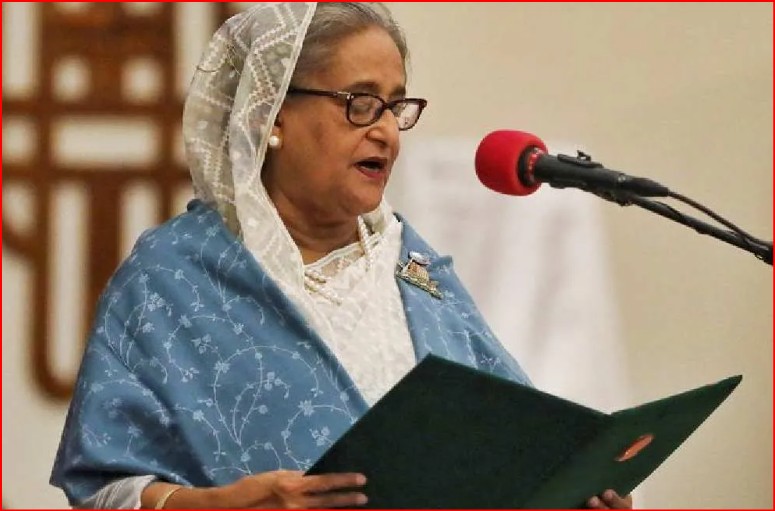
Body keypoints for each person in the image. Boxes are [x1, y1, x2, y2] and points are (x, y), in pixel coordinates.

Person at [50, 3, 633, 509]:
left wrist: (570, 490)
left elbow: (517, 452)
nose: (387, 132)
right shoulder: (171, 276)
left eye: (396, 107)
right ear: (272, 114)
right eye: (361, 103)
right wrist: (217, 506)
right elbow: (102, 487)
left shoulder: (413, 267)